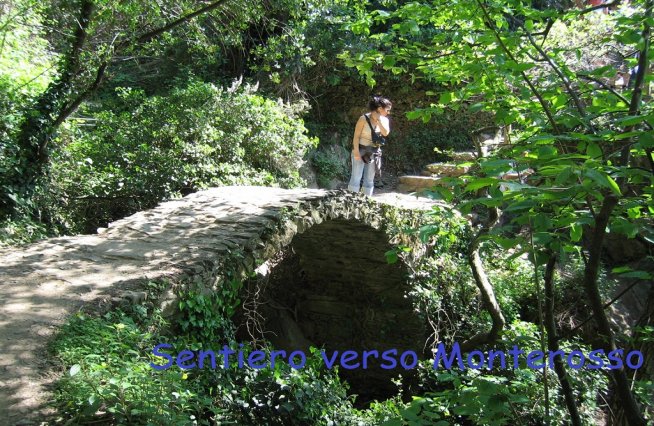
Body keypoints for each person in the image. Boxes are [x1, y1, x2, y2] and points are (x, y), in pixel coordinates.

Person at [347, 96, 392, 196]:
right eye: (387, 110)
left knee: (369, 179)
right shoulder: (363, 118)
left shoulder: (385, 120)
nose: (388, 113)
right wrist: (356, 151)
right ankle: (351, 202)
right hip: (361, 149)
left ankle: (366, 202)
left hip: (374, 152)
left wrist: (379, 121)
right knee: (356, 177)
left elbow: (385, 133)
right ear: (380, 109)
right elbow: (356, 136)